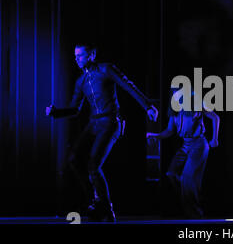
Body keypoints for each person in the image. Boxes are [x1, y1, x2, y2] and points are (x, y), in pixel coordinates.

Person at [46, 43, 158, 222]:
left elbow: (127, 85)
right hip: (94, 123)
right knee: (74, 159)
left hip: (111, 121)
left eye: (80, 55)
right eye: (75, 56)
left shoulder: (106, 69)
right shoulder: (81, 81)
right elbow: (75, 108)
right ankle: (95, 201)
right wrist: (56, 112)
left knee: (93, 164)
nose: (77, 59)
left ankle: (107, 208)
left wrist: (147, 105)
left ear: (91, 55)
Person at [146, 91, 219, 218]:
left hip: (199, 144)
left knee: (187, 178)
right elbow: (169, 131)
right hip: (185, 145)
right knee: (172, 174)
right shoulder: (174, 114)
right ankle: (193, 197)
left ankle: (195, 213)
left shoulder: (196, 107)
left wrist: (215, 138)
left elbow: (215, 117)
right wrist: (156, 136)